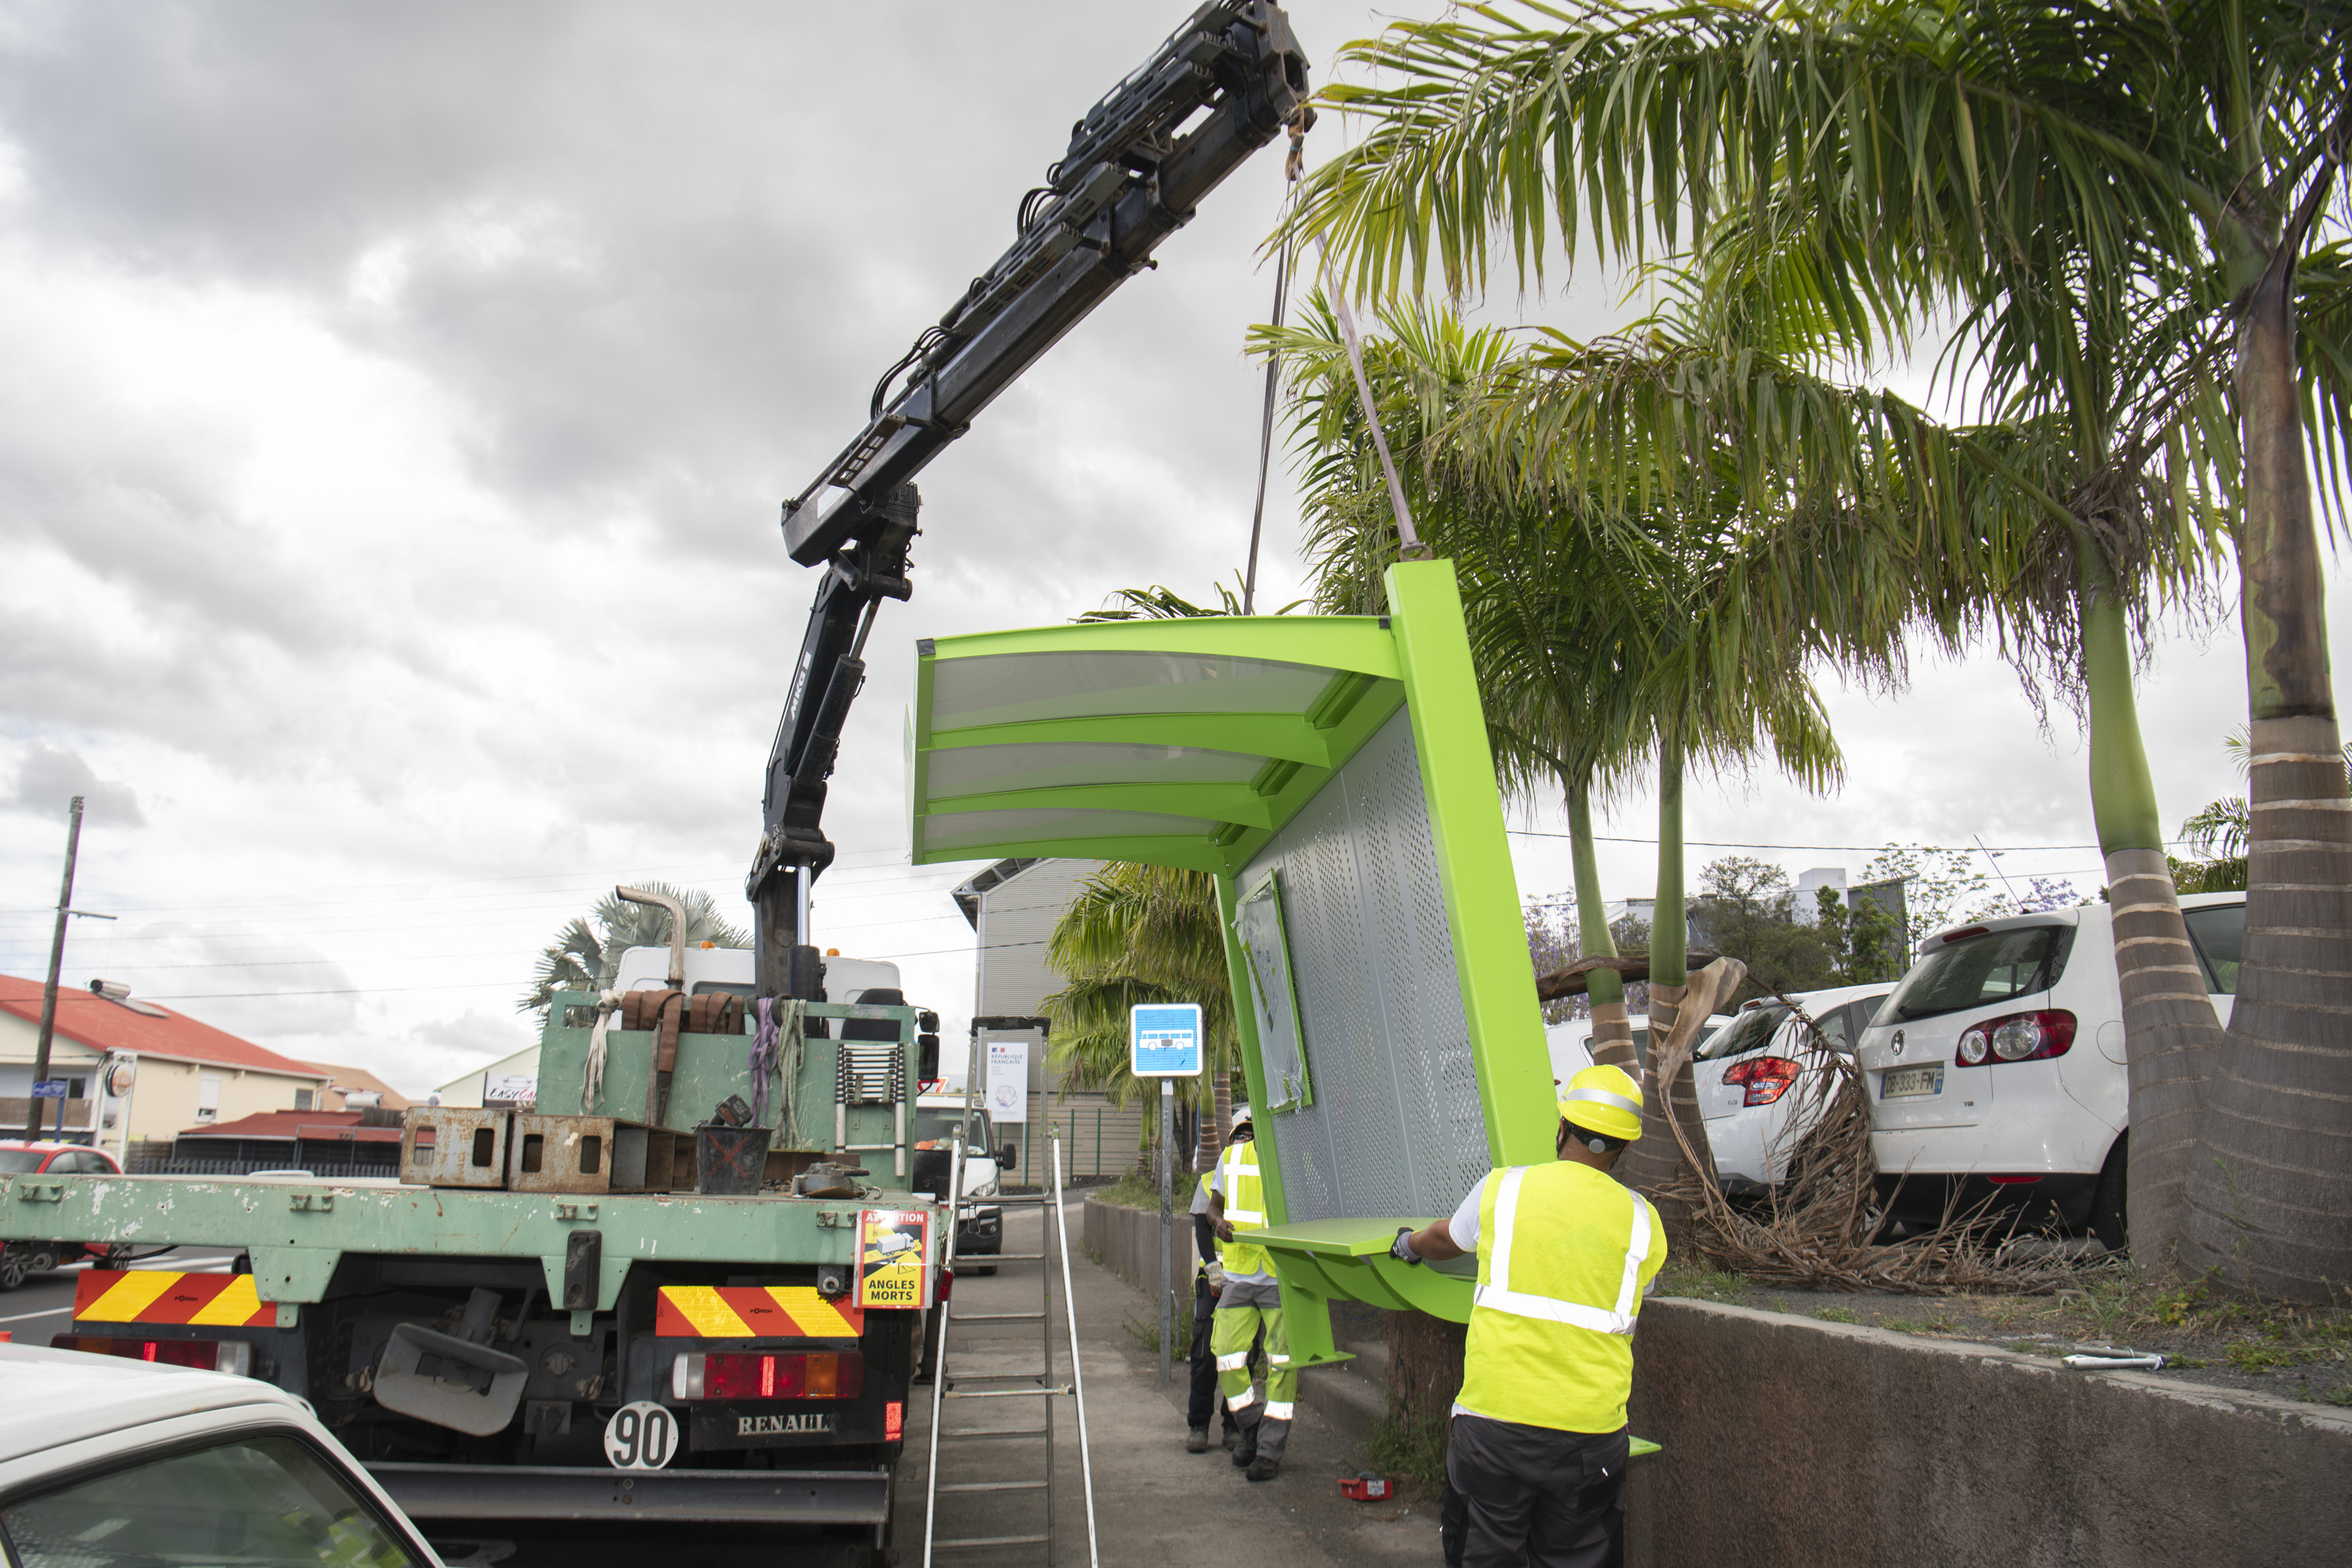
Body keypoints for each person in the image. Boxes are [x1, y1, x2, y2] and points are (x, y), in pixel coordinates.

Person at [1388, 1063, 1663, 1568]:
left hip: (1496, 1429)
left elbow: (1446, 1240)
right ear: (1623, 1148)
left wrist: (1408, 1244)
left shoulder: (1506, 1190)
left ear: (1561, 1127)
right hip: (1591, 1439)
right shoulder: (1645, 1224)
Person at [1207, 1103, 1295, 1480]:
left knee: (1282, 1363)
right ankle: (1253, 1426)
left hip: (1279, 1274)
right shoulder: (1230, 1157)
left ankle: (1269, 1452)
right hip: (1241, 1274)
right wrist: (1219, 1223)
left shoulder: (1291, 1158)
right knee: (1225, 1355)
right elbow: (1211, 1210)